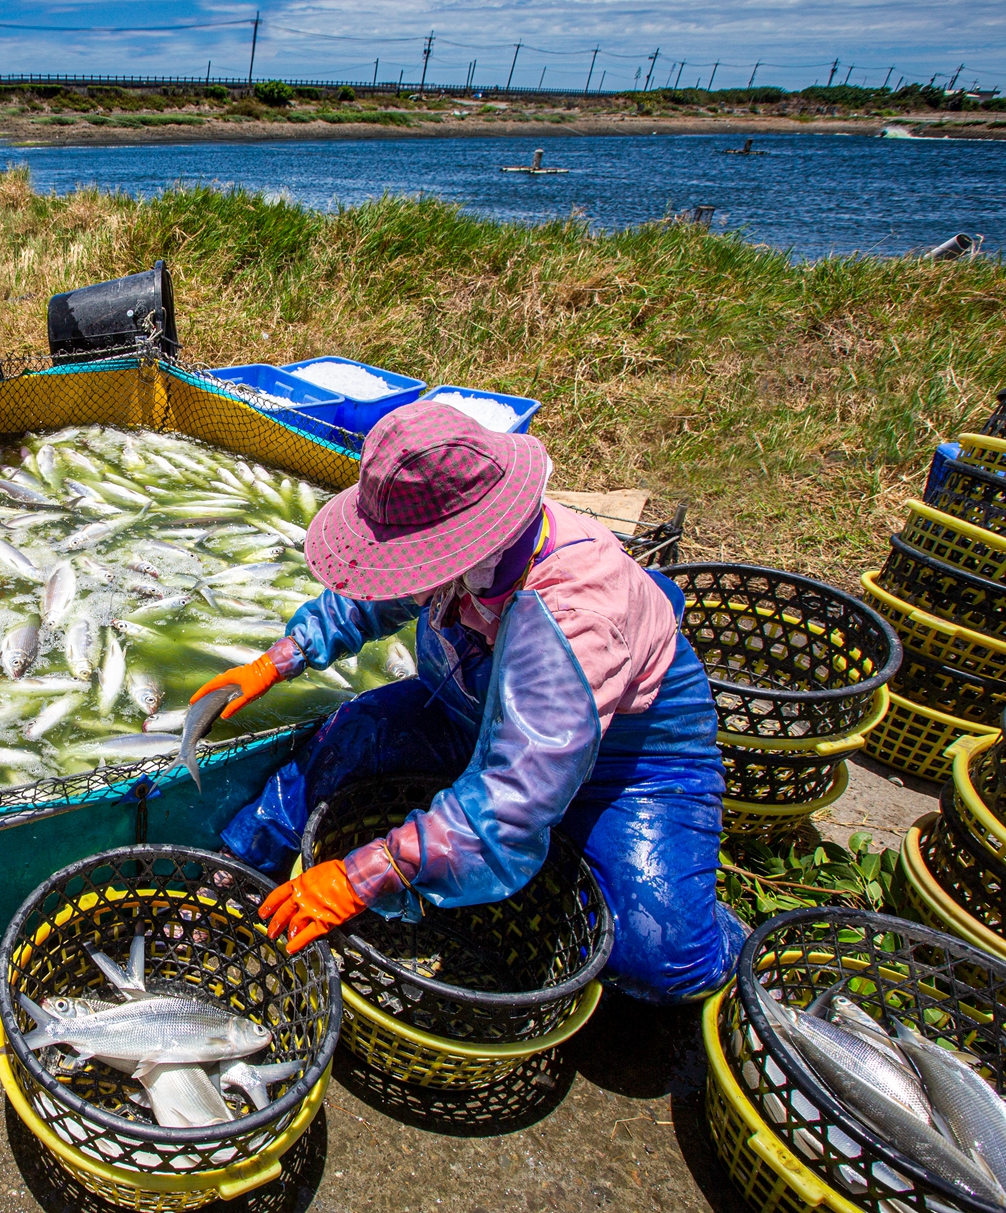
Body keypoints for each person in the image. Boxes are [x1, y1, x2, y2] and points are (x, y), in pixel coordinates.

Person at [202, 403, 742, 1005]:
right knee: (351, 734)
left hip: (627, 764)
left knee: (661, 960)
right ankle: (235, 869)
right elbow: (375, 591)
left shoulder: (574, 616)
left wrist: (364, 876)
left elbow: (516, 791)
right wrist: (282, 658)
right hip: (465, 709)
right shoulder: (472, 554)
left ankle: (738, 944)